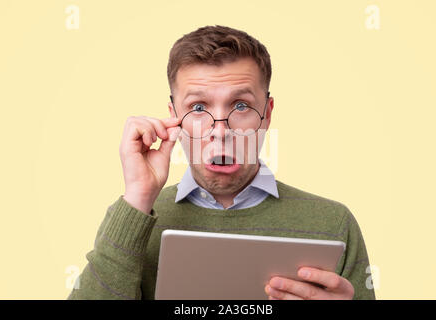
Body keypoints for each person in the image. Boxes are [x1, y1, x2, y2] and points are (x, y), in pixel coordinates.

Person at [68, 25, 375, 300]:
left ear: (267, 114)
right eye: (198, 107)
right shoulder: (131, 221)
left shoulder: (335, 224)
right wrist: (137, 195)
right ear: (174, 116)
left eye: (241, 105)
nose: (221, 131)